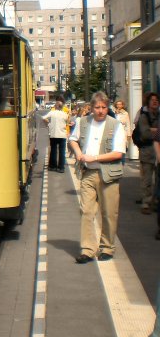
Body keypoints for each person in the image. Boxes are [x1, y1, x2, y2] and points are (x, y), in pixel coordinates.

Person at [68, 91, 126, 263]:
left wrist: (95, 158)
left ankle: (107, 247)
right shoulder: (83, 122)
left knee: (109, 213)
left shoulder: (116, 125)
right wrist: (78, 152)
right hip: (88, 173)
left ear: (107, 107)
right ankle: (88, 249)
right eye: (97, 107)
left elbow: (118, 153)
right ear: (91, 108)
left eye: (103, 107)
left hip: (108, 174)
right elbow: (72, 139)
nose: (100, 110)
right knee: (86, 211)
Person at [135, 92, 159, 214]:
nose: (155, 102)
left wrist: (153, 130)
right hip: (147, 152)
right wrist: (156, 132)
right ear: (148, 103)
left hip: (157, 152)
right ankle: (146, 202)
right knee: (147, 179)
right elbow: (145, 134)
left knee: (158, 179)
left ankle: (155, 201)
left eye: (156, 100)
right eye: (152, 100)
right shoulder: (144, 116)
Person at [43, 97, 69, 172]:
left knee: (53, 150)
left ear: (55, 106)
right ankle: (61, 167)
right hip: (62, 135)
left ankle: (52, 166)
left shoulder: (52, 113)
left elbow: (44, 118)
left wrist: (48, 123)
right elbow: (67, 122)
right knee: (62, 152)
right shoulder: (65, 114)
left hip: (53, 134)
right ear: (62, 107)